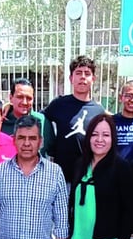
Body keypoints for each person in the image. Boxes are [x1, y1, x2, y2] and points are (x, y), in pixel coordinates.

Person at [42, 55, 107, 186]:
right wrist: (9, 107)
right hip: (61, 179)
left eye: (87, 73)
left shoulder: (99, 110)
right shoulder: (59, 104)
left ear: (93, 79)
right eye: (78, 73)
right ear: (71, 78)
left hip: (88, 179)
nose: (83, 77)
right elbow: (37, 118)